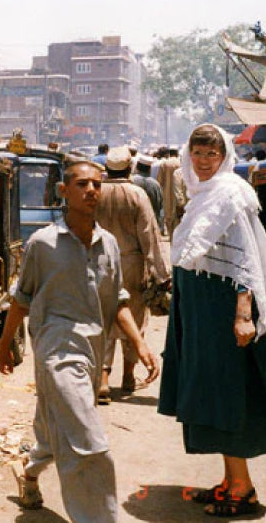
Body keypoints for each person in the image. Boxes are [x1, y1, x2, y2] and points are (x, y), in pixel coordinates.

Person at [0, 159, 160, 522]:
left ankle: (29, 472)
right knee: (88, 440)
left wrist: (140, 345)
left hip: (91, 351)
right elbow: (21, 299)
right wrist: (5, 344)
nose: (91, 191)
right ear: (63, 192)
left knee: (55, 424)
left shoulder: (109, 244)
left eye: (96, 185)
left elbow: (119, 301)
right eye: (82, 184)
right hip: (55, 350)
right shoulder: (43, 244)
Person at [158, 124, 266, 518]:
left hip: (224, 315)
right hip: (202, 314)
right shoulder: (202, 195)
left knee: (229, 394)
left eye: (211, 154)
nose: (203, 161)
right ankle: (230, 480)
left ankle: (243, 488)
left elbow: (245, 261)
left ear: (224, 157)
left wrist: (243, 315)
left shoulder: (230, 194)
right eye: (197, 153)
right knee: (210, 394)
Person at [95, 146, 170, 403]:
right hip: (132, 265)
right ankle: (128, 377)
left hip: (100, 263)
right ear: (130, 168)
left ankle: (103, 380)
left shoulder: (96, 192)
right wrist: (162, 274)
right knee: (134, 320)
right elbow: (149, 235)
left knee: (103, 319)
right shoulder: (137, 195)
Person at [132, 154, 163, 228]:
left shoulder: (131, 181)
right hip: (151, 222)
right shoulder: (155, 184)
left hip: (133, 222)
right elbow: (159, 205)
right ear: (149, 169)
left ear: (137, 167)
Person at [156, 146, 180, 240]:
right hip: (179, 192)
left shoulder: (165, 163)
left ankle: (171, 236)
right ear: (177, 153)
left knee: (168, 215)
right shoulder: (181, 163)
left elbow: (159, 181)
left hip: (167, 193)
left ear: (169, 154)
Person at [171, 166, 187, 231]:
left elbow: (178, 194)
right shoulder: (201, 171)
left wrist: (180, 212)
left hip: (183, 211)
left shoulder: (178, 173)